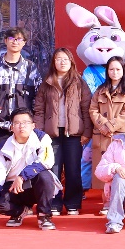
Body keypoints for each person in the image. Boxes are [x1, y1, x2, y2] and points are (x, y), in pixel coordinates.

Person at [32, 47, 91, 215]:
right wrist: (39, 133)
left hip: (74, 134)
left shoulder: (79, 83)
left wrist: (86, 132)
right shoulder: (47, 83)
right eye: (58, 59)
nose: (62, 62)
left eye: (65, 59)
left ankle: (73, 203)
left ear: (71, 62)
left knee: (73, 170)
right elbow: (39, 110)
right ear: (54, 62)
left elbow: (86, 108)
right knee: (53, 169)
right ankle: (54, 203)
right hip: (51, 134)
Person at [0, 108, 59, 229]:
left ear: (33, 125)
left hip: (36, 184)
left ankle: (44, 216)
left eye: (26, 122)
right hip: (14, 187)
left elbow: (46, 162)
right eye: (17, 123)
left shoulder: (42, 139)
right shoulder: (2, 148)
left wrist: (22, 176)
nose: (21, 126)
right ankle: (19, 211)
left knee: (45, 176)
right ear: (11, 127)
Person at [0, 26, 42, 159]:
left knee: (24, 166)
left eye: (19, 39)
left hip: (24, 129)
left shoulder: (31, 68)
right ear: (5, 41)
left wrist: (33, 123)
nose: (15, 42)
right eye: (12, 38)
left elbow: (39, 97)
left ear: (24, 43)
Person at [89, 55, 125, 188]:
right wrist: (102, 126)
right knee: (103, 172)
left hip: (118, 135)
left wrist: (109, 126)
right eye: (111, 69)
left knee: (120, 170)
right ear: (107, 71)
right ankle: (104, 199)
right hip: (101, 135)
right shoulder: (100, 90)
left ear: (123, 71)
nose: (115, 72)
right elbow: (93, 109)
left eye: (118, 69)